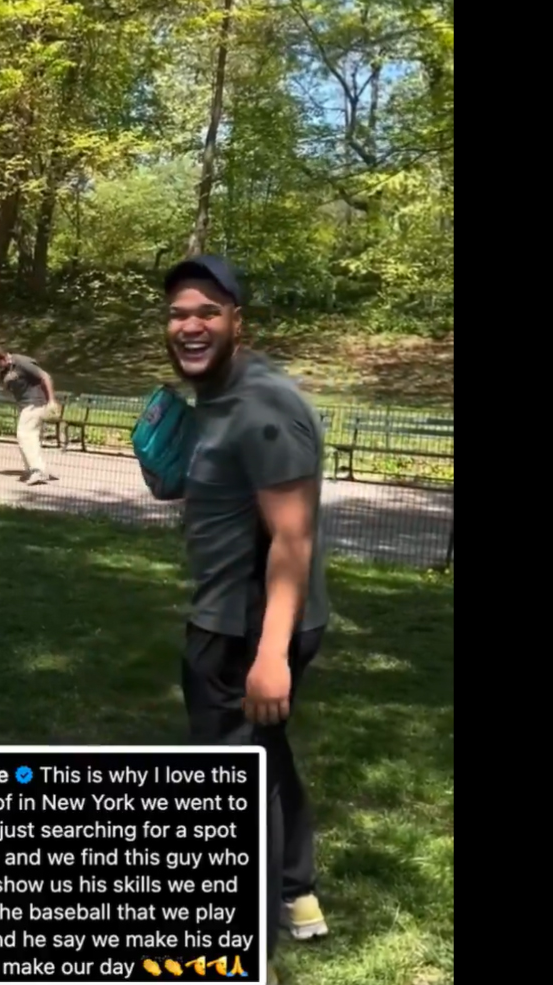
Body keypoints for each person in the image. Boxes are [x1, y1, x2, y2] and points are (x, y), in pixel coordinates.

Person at [162, 255, 331, 974]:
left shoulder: (264, 407)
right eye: (177, 313)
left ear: (238, 321)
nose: (189, 325)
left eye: (206, 311)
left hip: (245, 624)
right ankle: (298, 893)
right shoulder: (217, 392)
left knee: (227, 774)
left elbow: (292, 538)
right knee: (263, 753)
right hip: (232, 612)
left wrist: (269, 655)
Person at [0, 348, 61, 484]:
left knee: (24, 435)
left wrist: (51, 400)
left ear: (4, 357)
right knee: (29, 437)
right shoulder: (5, 370)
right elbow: (7, 386)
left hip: (35, 403)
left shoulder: (22, 362)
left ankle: (37, 470)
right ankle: (34, 469)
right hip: (25, 405)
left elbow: (45, 377)